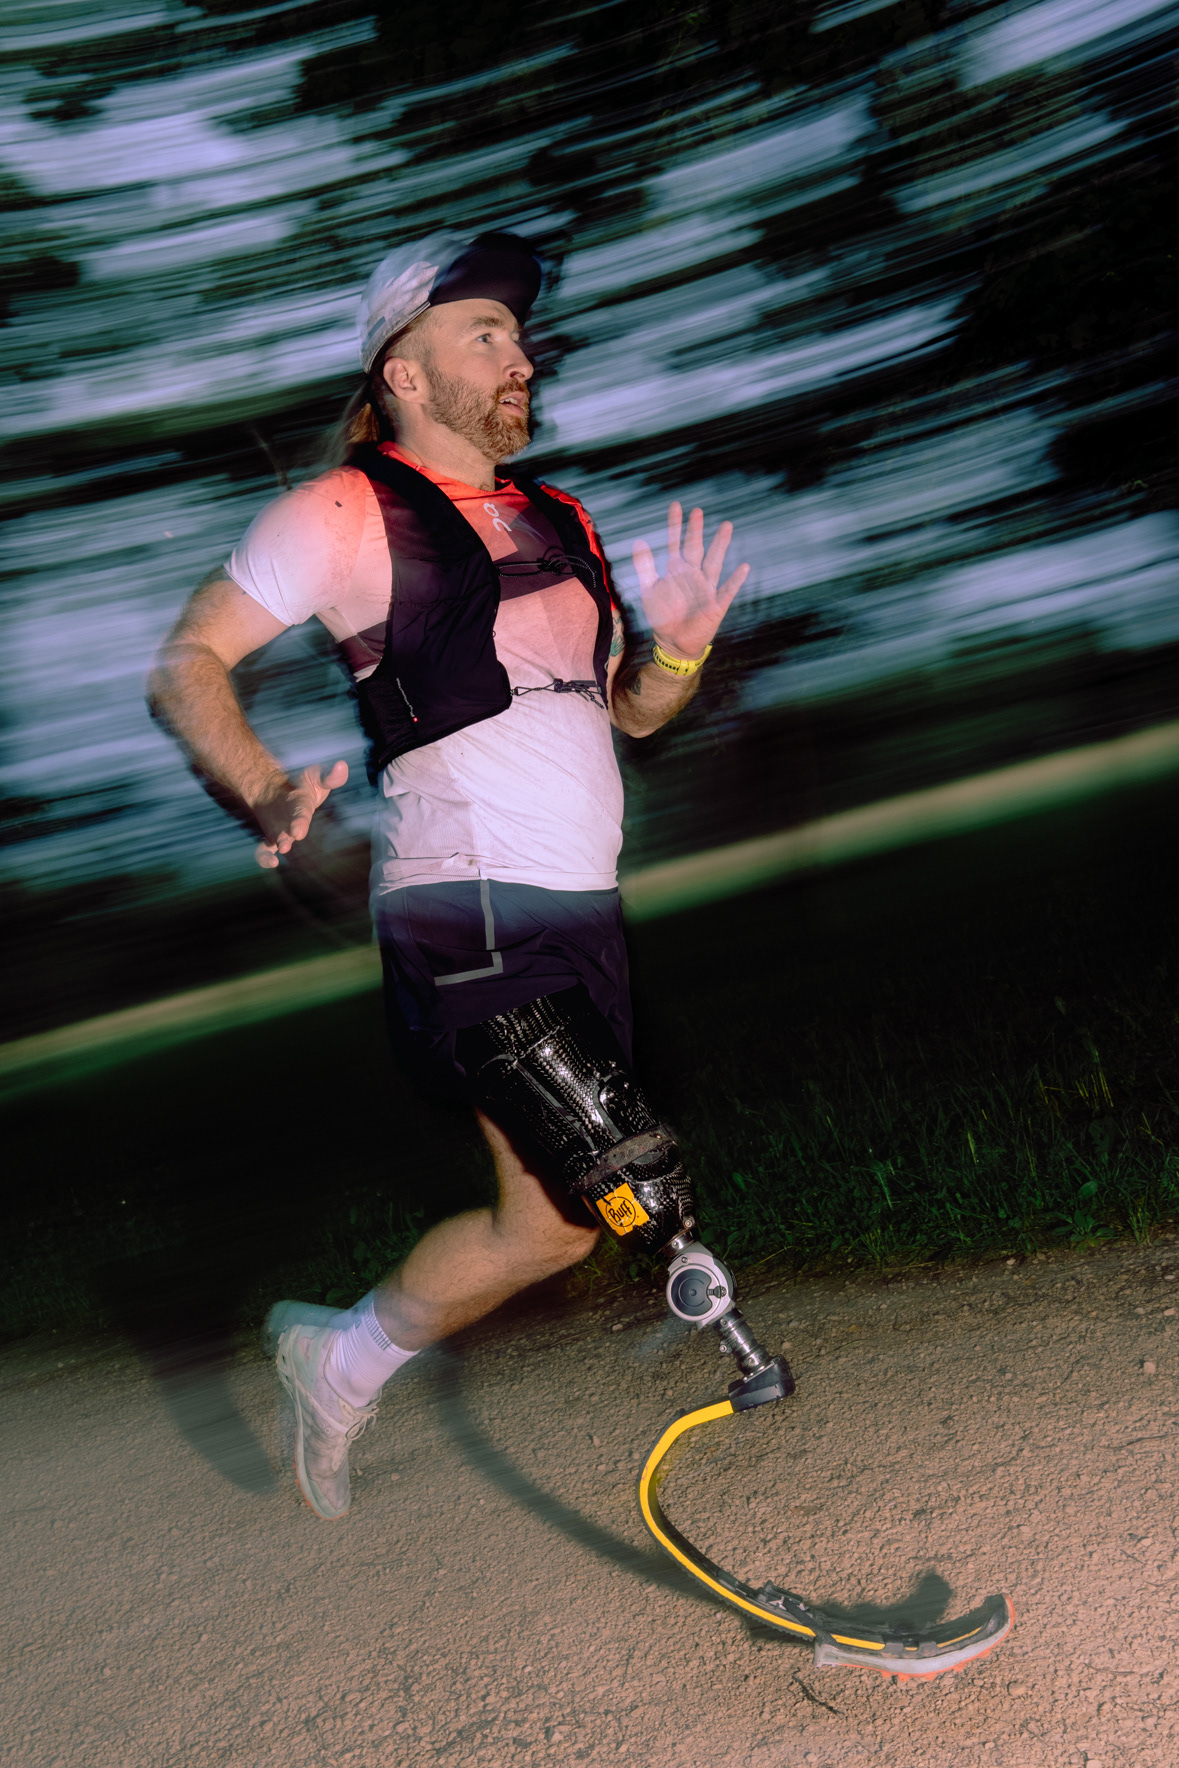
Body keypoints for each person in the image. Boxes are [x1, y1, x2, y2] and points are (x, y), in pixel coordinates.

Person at [149, 230, 751, 1521]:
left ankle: (344, 1351)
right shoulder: (339, 512)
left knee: (549, 1223)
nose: (518, 357)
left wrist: (683, 655)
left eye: (519, 337)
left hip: (577, 905)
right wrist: (261, 786)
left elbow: (629, 715)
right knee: (631, 1180)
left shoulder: (560, 521)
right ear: (404, 372)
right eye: (484, 334)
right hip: (463, 905)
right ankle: (758, 1407)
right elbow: (187, 662)